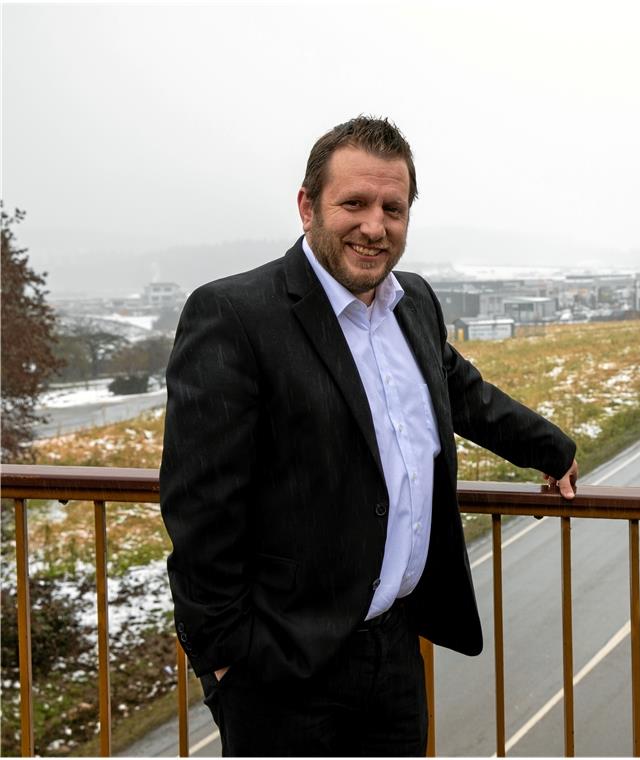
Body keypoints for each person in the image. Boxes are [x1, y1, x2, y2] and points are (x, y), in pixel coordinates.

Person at [160, 115, 578, 756]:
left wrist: (552, 450)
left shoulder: (412, 299)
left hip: (394, 649)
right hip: (281, 669)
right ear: (307, 206)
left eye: (393, 207)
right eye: (353, 203)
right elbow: (199, 512)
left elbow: (461, 391)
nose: (375, 226)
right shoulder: (236, 316)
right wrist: (227, 667)